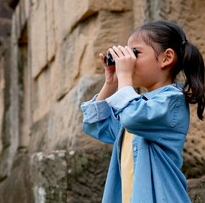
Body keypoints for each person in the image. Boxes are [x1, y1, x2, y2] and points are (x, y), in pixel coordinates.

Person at [80, 20, 205, 203]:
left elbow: (133, 117)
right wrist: (111, 83)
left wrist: (124, 77)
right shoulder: (134, 105)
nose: (128, 61)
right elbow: (95, 125)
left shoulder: (172, 101)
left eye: (135, 53)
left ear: (166, 58)